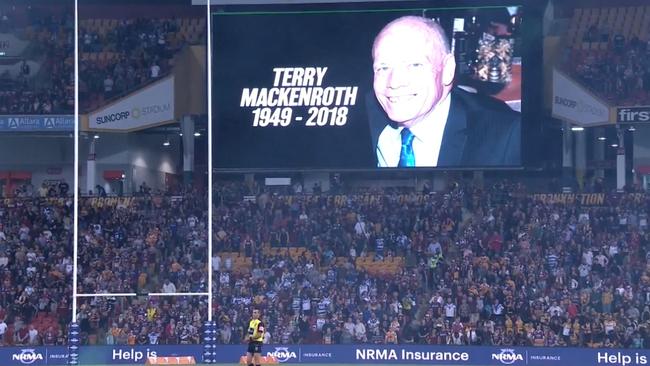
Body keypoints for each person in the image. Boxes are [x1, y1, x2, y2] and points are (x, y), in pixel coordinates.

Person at [368, 15, 520, 167]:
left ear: (447, 70)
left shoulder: (506, 136)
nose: (394, 83)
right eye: (383, 68)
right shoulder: (360, 116)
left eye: (414, 65)